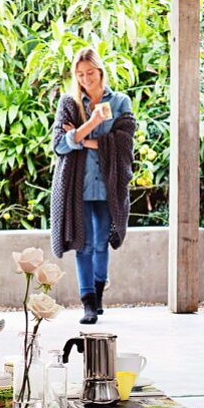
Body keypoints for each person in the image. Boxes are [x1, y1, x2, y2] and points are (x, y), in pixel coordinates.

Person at [50, 47, 136, 324]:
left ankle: (98, 294)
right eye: (80, 74)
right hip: (77, 187)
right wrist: (94, 123)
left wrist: (80, 139)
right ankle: (87, 303)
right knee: (83, 245)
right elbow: (60, 145)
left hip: (109, 185)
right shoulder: (69, 103)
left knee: (101, 243)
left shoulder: (120, 102)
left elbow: (124, 144)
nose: (85, 78)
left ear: (100, 71)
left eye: (89, 72)